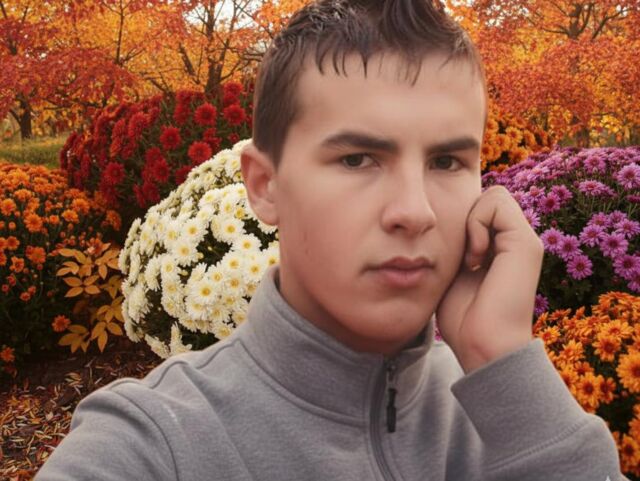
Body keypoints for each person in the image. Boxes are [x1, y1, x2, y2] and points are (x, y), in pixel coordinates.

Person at [35, 0, 627, 480]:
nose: (415, 212)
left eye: (446, 161)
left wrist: (504, 364)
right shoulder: (154, 444)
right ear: (265, 186)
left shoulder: (507, 418)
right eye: (357, 158)